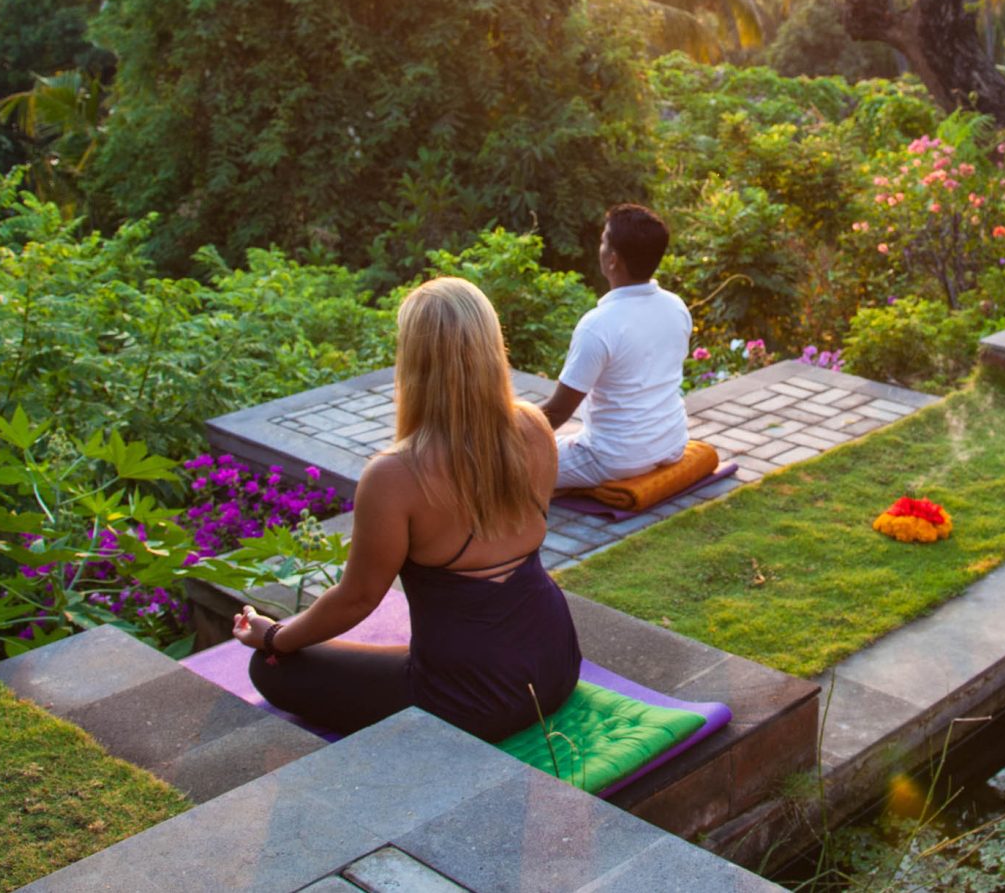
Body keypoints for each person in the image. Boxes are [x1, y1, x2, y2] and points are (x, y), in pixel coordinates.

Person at [230, 277, 580, 741]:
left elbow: (357, 598)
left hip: (474, 699)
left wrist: (274, 636)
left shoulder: (396, 475)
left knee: (270, 669)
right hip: (555, 662)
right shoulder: (534, 427)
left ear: (413, 360)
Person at [542, 203, 693, 489]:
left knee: (508, 466)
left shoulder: (597, 325)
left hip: (613, 460)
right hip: (672, 443)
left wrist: (504, 441)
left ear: (612, 259)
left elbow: (557, 413)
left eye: (602, 241)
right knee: (568, 438)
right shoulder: (676, 307)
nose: (598, 247)